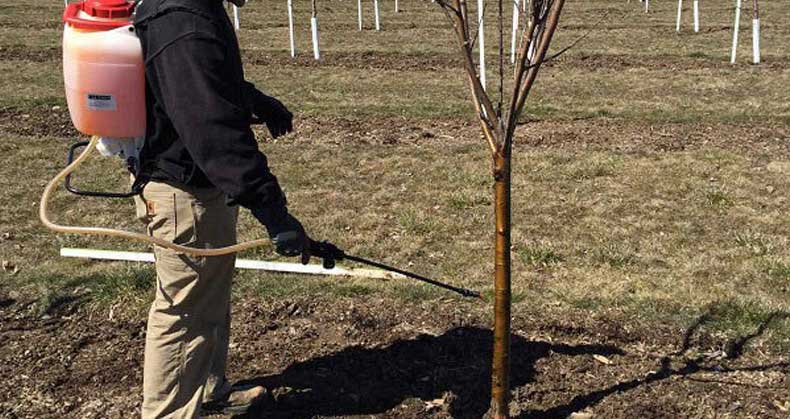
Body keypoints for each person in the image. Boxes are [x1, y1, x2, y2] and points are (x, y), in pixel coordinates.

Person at [131, 0, 307, 416]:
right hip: (182, 192)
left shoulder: (192, 10)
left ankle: (209, 389)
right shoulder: (185, 21)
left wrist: (255, 100)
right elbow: (214, 132)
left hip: (195, 185)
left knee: (208, 297)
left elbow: (203, 82)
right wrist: (274, 213)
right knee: (184, 312)